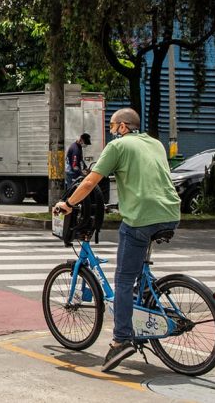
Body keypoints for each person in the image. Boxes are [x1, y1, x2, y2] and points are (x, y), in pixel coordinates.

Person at [53, 108, 180, 372]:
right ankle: (143, 301)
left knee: (122, 279)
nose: (111, 130)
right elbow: (149, 179)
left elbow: (89, 182)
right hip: (170, 213)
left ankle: (121, 340)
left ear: (123, 127)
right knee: (136, 272)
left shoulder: (119, 146)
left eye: (112, 126)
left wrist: (67, 203)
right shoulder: (155, 143)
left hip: (141, 218)